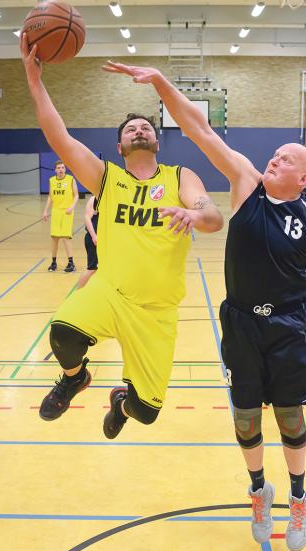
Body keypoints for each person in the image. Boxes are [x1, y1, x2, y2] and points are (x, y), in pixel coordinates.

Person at [103, 61, 306, 551]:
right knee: (246, 417)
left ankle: (299, 499)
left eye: (286, 158)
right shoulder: (246, 181)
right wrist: (161, 82)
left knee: (289, 418)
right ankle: (257, 492)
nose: (275, 158)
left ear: (304, 176)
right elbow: (198, 127)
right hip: (241, 322)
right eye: (276, 153)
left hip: (292, 325)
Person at [21, 36, 224, 439]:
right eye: (131, 129)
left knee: (146, 412)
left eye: (145, 126)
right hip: (111, 293)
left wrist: (193, 212)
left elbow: (214, 217)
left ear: (156, 140)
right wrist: (34, 81)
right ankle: (75, 379)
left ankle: (122, 402)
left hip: (157, 310)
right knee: (63, 331)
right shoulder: (106, 178)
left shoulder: (179, 177)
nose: (139, 129)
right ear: (120, 146)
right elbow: (58, 136)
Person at [42, 161, 79, 272]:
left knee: (66, 237)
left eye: (62, 167)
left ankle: (71, 263)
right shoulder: (52, 181)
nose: (61, 169)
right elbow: (50, 197)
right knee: (54, 238)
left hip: (67, 211)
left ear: (65, 169)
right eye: (58, 168)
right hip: (56, 211)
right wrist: (45, 211)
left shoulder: (70, 179)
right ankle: (53, 263)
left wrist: (72, 207)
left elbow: (76, 195)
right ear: (55, 170)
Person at [77, 194, 99, 289]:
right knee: (91, 268)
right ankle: (78, 292)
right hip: (93, 239)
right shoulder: (94, 200)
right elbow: (87, 218)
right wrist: (94, 236)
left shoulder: (111, 200)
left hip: (105, 240)